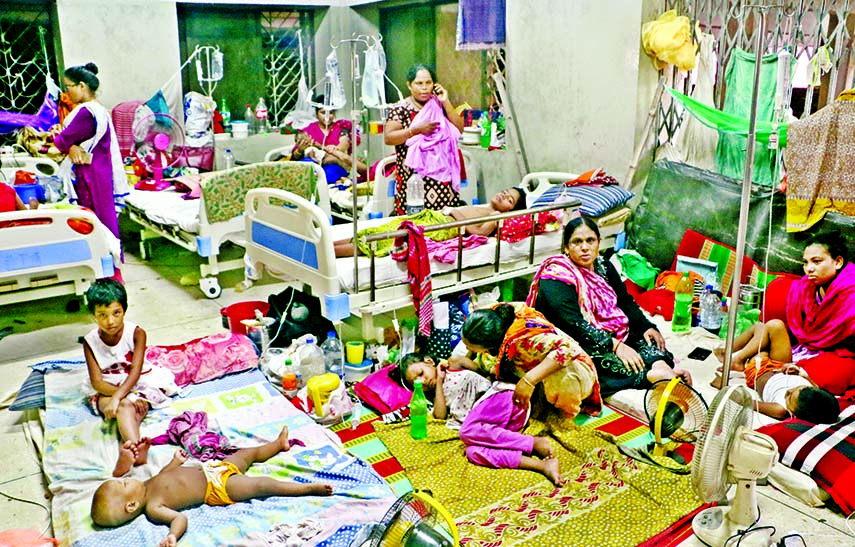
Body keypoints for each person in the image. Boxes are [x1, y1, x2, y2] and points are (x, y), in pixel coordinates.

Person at [527, 216, 692, 397]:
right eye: (577, 242)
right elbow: (574, 324)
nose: (584, 247)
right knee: (590, 366)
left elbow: (624, 302)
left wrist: (645, 326)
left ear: (598, 242)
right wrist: (616, 346)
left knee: (646, 336)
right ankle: (651, 376)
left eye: (590, 240)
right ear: (566, 248)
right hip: (570, 336)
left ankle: (662, 368)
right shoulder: (556, 276)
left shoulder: (603, 266)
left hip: (605, 331)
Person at [90, 426, 333, 546]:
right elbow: (180, 519)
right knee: (261, 485)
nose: (128, 478)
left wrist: (174, 462)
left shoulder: (146, 484)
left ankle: (278, 445)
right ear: (131, 505)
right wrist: (172, 536)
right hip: (219, 488)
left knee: (246, 454)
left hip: (213, 469)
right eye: (123, 483)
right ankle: (306, 489)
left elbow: (166, 476)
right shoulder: (153, 507)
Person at [714, 231, 855, 396]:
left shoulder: (850, 292)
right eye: (806, 262)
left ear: (838, 262)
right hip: (802, 348)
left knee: (770, 333)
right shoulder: (806, 287)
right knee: (764, 327)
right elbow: (802, 328)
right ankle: (732, 354)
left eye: (816, 262)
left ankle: (738, 359)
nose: (809, 269)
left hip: (827, 356)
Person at [393, 353, 567, 486]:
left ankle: (533, 443)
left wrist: (452, 363)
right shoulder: (434, 394)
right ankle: (542, 466)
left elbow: (482, 372)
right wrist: (438, 381)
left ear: (429, 361)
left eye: (421, 373)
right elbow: (440, 415)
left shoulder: (453, 364)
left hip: (502, 401)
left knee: (466, 432)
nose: (423, 381)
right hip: (498, 427)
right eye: (416, 382)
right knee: (473, 453)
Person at [83, 278, 179, 477]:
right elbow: (97, 382)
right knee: (127, 407)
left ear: (124, 311)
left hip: (135, 384)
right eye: (102, 315)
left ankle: (127, 451)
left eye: (116, 313)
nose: (110, 321)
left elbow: (135, 372)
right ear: (93, 316)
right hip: (106, 389)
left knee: (126, 406)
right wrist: (120, 397)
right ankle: (136, 448)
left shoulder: (136, 333)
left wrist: (122, 397)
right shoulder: (89, 341)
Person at [461, 302, 602, 419]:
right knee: (491, 367)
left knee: (563, 377)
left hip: (572, 368)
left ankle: (564, 413)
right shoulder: (493, 314)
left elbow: (569, 350)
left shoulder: (526, 339)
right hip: (529, 358)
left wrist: (529, 380)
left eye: (471, 347)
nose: (469, 349)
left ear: (492, 345)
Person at [50, 63, 128, 241]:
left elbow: (61, 140)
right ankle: (110, 263)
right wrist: (71, 145)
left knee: (95, 223)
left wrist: (67, 144)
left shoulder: (86, 113)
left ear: (82, 86)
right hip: (100, 169)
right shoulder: (98, 108)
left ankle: (105, 263)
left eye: (69, 86)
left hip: (89, 174)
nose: (67, 92)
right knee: (104, 219)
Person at [333, 186, 527, 257]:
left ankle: (329, 252)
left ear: (512, 211)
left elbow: (478, 233)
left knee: (387, 238)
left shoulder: (496, 218)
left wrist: (454, 212)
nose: (503, 196)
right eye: (505, 192)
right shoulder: (486, 207)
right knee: (385, 227)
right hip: (434, 217)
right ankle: (327, 247)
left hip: (442, 228)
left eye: (509, 199)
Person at [385, 63, 465, 215]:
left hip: (443, 179)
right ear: (409, 85)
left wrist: (446, 101)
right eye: (419, 83)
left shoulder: (439, 105)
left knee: (444, 223)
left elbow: (459, 129)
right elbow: (389, 138)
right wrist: (415, 130)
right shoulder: (401, 108)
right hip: (414, 179)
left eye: (428, 83)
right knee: (415, 226)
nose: (424, 87)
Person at [717, 352, 839, 423]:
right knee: (775, 326)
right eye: (797, 388)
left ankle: (734, 359)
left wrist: (723, 386)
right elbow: (810, 381)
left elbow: (745, 401)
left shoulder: (780, 410)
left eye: (789, 397)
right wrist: (798, 372)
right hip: (780, 366)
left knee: (760, 344)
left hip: (759, 370)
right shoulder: (813, 392)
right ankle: (731, 354)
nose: (789, 391)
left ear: (794, 415)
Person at [290, 93, 367, 183]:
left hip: (335, 166)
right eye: (323, 113)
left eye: (330, 112)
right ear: (316, 113)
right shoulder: (308, 130)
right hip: (312, 163)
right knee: (306, 166)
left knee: (329, 173)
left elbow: (344, 143)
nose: (327, 116)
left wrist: (336, 150)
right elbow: (294, 158)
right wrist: (300, 150)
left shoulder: (341, 127)